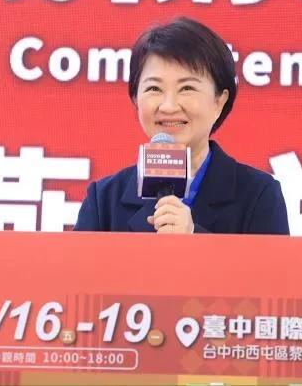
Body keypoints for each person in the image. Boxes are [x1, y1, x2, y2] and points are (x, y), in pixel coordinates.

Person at [74, 17, 289, 234]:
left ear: (219, 101)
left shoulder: (259, 194)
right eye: (154, 89)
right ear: (135, 99)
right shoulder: (103, 200)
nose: (168, 106)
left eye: (187, 88)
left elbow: (269, 259)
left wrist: (194, 237)